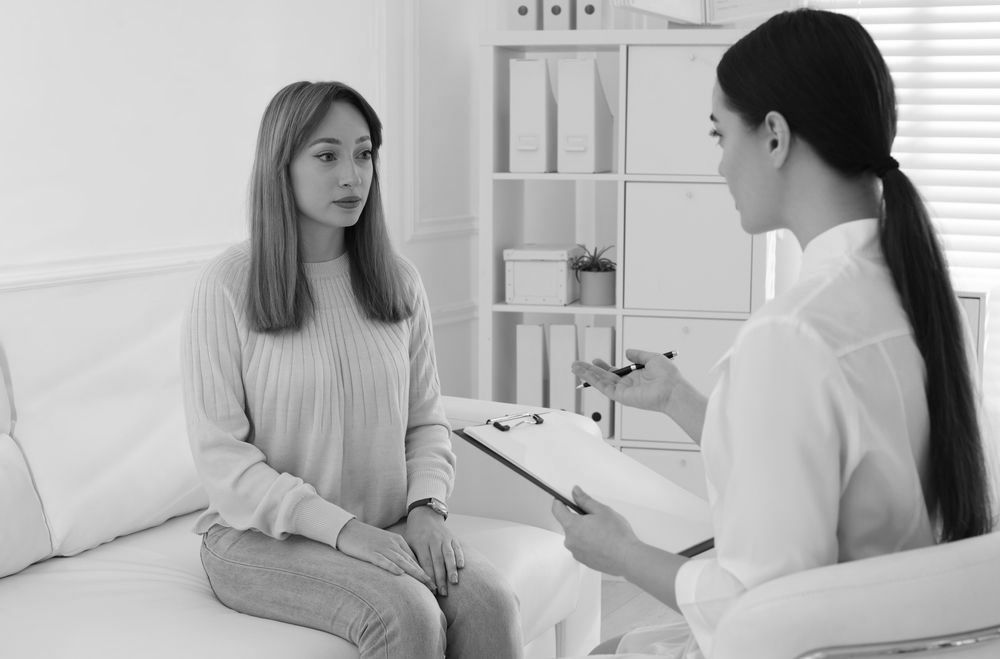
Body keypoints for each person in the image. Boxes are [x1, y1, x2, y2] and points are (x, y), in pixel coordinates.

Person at [552, 9, 994, 658]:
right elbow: (832, 470)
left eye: (720, 134)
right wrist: (680, 399)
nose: (721, 166)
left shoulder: (792, 333)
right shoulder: (922, 299)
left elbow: (754, 615)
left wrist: (621, 553)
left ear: (776, 137)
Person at [180, 80, 522, 659]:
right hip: (260, 537)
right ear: (280, 165)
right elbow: (224, 461)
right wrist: (343, 530)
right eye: (327, 155)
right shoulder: (228, 285)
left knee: (490, 603)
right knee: (406, 612)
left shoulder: (397, 279)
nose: (352, 175)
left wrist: (427, 509)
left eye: (364, 153)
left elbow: (425, 422)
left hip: (384, 525)